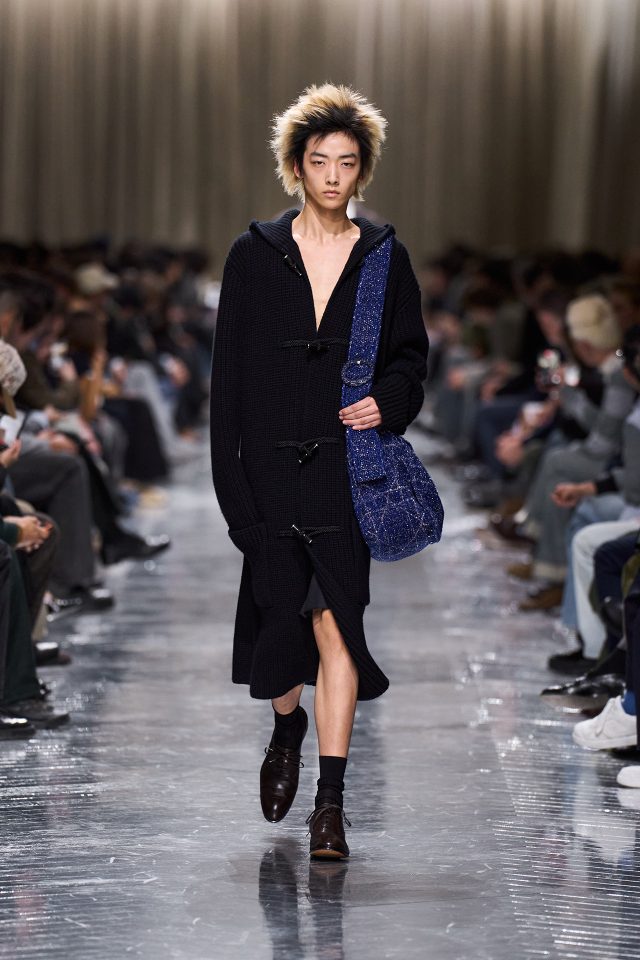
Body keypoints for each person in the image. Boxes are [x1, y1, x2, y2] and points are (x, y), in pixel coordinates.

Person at [210, 84, 429, 859]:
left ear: (362, 169)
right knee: (279, 639)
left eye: (346, 162)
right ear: (295, 167)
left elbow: (410, 362)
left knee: (339, 626)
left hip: (344, 474)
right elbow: (226, 386)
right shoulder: (253, 255)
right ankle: (286, 727)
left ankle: (330, 805)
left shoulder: (384, 257)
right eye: (319, 161)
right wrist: (236, 499)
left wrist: (387, 402)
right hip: (270, 478)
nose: (333, 176)